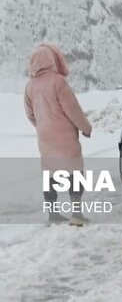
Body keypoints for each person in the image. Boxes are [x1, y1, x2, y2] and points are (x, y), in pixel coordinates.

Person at [24, 44, 93, 226]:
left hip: (45, 138)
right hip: (65, 137)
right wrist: (86, 128)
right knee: (74, 173)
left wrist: (42, 126)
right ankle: (77, 214)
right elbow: (73, 110)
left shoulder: (30, 86)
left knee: (50, 174)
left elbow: (30, 114)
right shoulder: (58, 82)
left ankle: (53, 214)